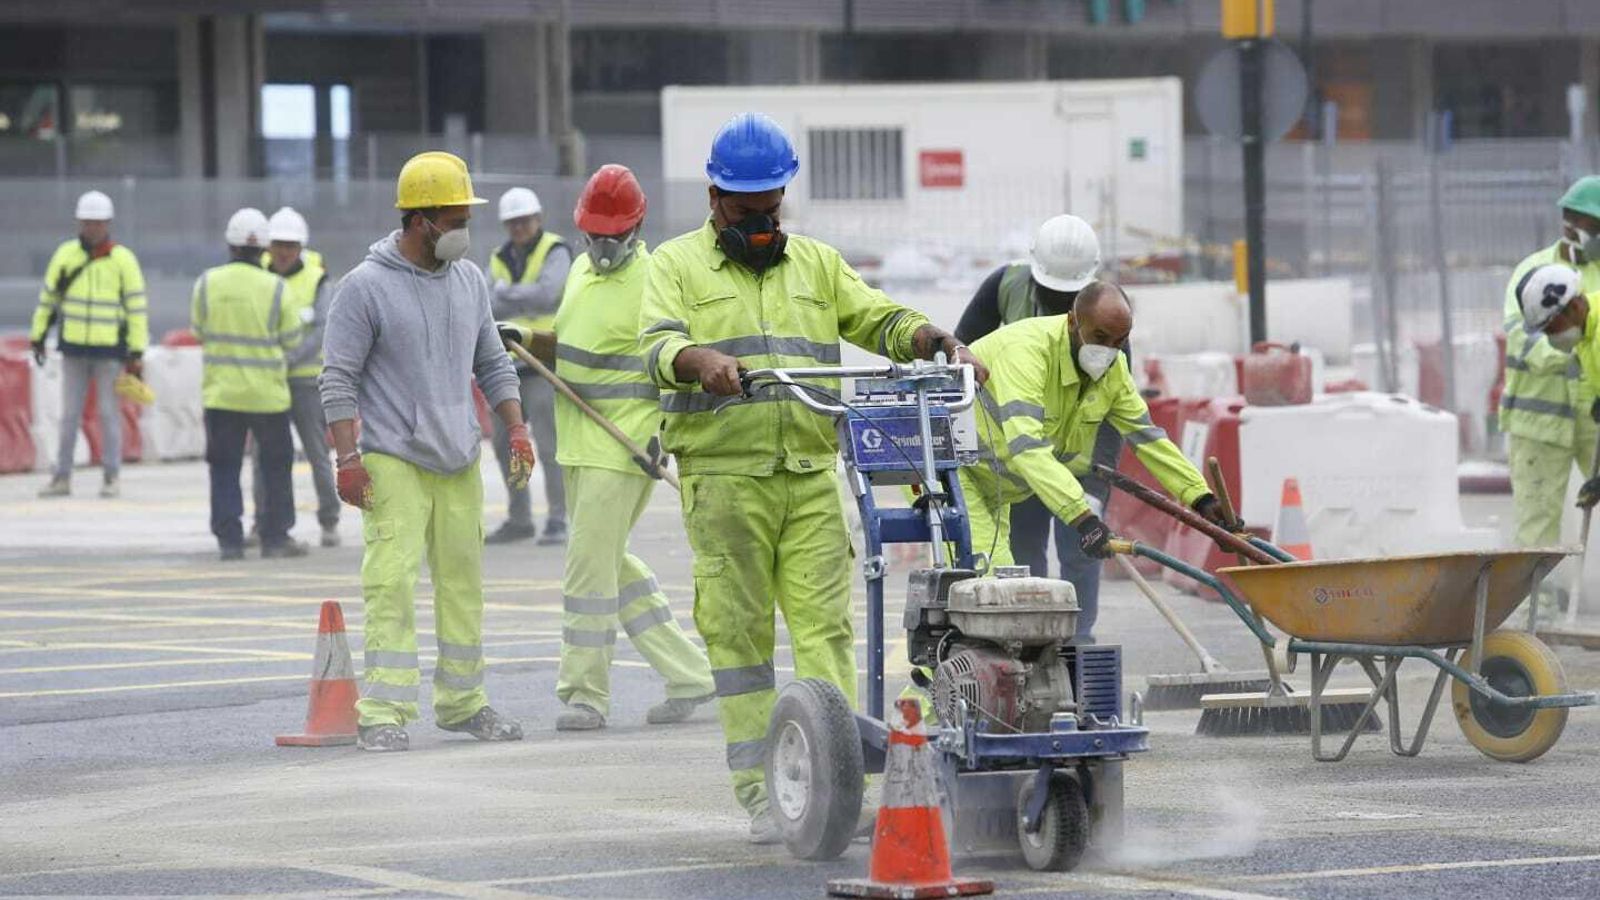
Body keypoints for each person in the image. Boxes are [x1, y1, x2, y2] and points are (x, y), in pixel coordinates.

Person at [638, 113, 985, 842]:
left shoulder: (818, 265)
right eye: (744, 210)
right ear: (713, 197)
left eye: (771, 207)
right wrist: (700, 361)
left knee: (826, 632)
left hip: (809, 475)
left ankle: (836, 786)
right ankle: (765, 791)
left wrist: (933, 338)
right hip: (724, 479)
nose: (761, 222)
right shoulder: (674, 265)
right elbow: (658, 344)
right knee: (739, 643)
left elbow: (879, 320)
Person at [321, 151, 530, 753]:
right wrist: (348, 458)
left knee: (464, 585)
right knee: (391, 582)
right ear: (421, 221)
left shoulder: (468, 281)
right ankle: (382, 709)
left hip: (459, 455)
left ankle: (464, 703)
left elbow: (492, 362)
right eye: (456, 218)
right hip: (392, 455)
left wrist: (515, 429)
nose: (466, 230)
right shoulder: (363, 288)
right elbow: (337, 379)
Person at [504, 164, 716, 732]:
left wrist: (665, 435)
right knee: (610, 567)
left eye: (612, 235)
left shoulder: (655, 281)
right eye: (593, 235)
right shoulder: (578, 271)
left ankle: (585, 695)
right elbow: (574, 351)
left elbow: (679, 362)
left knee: (585, 573)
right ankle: (690, 674)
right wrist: (527, 340)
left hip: (623, 447)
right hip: (578, 443)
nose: (601, 246)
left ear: (636, 228)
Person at [957, 281, 1236, 627]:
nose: (1109, 350)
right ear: (1073, 322)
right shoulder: (1027, 351)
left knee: (989, 596)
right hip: (958, 472)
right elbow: (1027, 447)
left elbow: (1147, 438)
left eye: (1119, 342)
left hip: (995, 486)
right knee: (992, 592)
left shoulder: (1112, 369)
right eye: (1101, 337)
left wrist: (1200, 498)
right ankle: (960, 678)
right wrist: (1083, 517)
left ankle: (944, 679)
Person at [952, 213, 1121, 636]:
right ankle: (1032, 642)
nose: (1062, 307)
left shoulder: (1106, 314)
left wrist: (1096, 492)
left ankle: (1076, 646)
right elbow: (958, 362)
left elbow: (1117, 409)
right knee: (1022, 560)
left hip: (1076, 469)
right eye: (1051, 293)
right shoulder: (1003, 289)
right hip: (1021, 461)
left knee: (1081, 558)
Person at [191, 208, 307, 561]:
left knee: (224, 466)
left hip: (222, 394)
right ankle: (275, 537)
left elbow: (198, 329)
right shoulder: (276, 288)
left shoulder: (207, 282)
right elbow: (291, 339)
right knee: (275, 466)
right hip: (267, 396)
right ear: (265, 249)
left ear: (231, 245)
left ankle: (229, 540)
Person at [1500, 177, 1600, 555]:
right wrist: (1576, 353)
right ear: (1574, 223)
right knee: (1537, 520)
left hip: (1593, 416)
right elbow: (1521, 336)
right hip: (1541, 419)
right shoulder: (1537, 273)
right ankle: (1536, 606)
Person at [31, 190, 148, 499]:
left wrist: (136, 351)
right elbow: (48, 300)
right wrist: (38, 336)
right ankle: (62, 477)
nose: (92, 228)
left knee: (109, 414)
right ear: (79, 223)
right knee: (69, 414)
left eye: (97, 223)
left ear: (107, 223)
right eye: (87, 222)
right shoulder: (65, 256)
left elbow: (136, 309)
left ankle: (111, 476)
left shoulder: (122, 260)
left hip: (109, 351)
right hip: (73, 348)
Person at [248, 207, 341, 548]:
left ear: (301, 247)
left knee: (317, 453)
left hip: (305, 381)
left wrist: (285, 359)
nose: (284, 252)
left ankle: (329, 519)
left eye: (290, 245)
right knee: (263, 456)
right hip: (268, 382)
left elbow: (321, 330)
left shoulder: (317, 280)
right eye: (278, 245)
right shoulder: (258, 276)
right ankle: (261, 522)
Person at [486, 186, 573, 546]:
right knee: (505, 443)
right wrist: (522, 293)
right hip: (508, 365)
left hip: (544, 360)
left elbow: (549, 293)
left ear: (537, 218)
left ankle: (558, 517)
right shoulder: (498, 256)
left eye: (524, 220)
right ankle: (519, 518)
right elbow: (487, 303)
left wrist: (510, 293)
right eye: (513, 222)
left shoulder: (555, 249)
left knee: (551, 446)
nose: (519, 227)